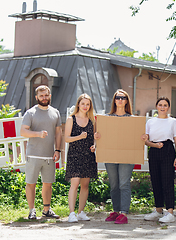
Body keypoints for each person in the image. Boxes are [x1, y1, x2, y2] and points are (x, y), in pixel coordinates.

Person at [20, 85, 62, 220]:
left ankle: (46, 209)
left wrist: (58, 150)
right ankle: (32, 210)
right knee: (31, 183)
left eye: (46, 95)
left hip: (49, 155)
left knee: (48, 183)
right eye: (41, 95)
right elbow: (23, 131)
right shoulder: (31, 113)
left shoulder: (55, 112)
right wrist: (38, 134)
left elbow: (58, 132)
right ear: (36, 97)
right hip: (33, 154)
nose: (44, 98)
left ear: (50, 96)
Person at [94, 89, 134, 224]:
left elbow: (137, 138)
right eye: (118, 97)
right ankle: (116, 211)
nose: (120, 100)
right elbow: (101, 136)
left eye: (123, 98)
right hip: (110, 155)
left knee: (124, 183)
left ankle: (124, 213)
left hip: (127, 155)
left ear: (127, 101)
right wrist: (97, 137)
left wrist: (143, 137)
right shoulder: (107, 118)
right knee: (114, 184)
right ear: (114, 100)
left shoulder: (132, 120)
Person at [143, 97, 176, 223]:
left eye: (165, 105)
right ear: (156, 106)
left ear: (168, 107)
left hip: (168, 150)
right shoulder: (150, 122)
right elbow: (146, 141)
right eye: (160, 105)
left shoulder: (173, 122)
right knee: (156, 181)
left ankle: (170, 212)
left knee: (167, 181)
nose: (162, 107)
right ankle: (158, 210)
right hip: (154, 151)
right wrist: (153, 145)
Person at [65, 93, 97, 223]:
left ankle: (81, 212)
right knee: (75, 183)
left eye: (87, 104)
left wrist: (95, 146)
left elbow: (94, 138)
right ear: (78, 104)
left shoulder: (92, 120)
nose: (85, 106)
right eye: (83, 103)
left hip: (88, 155)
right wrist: (79, 137)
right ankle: (71, 213)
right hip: (74, 155)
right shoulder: (71, 119)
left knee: (85, 185)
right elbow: (66, 138)